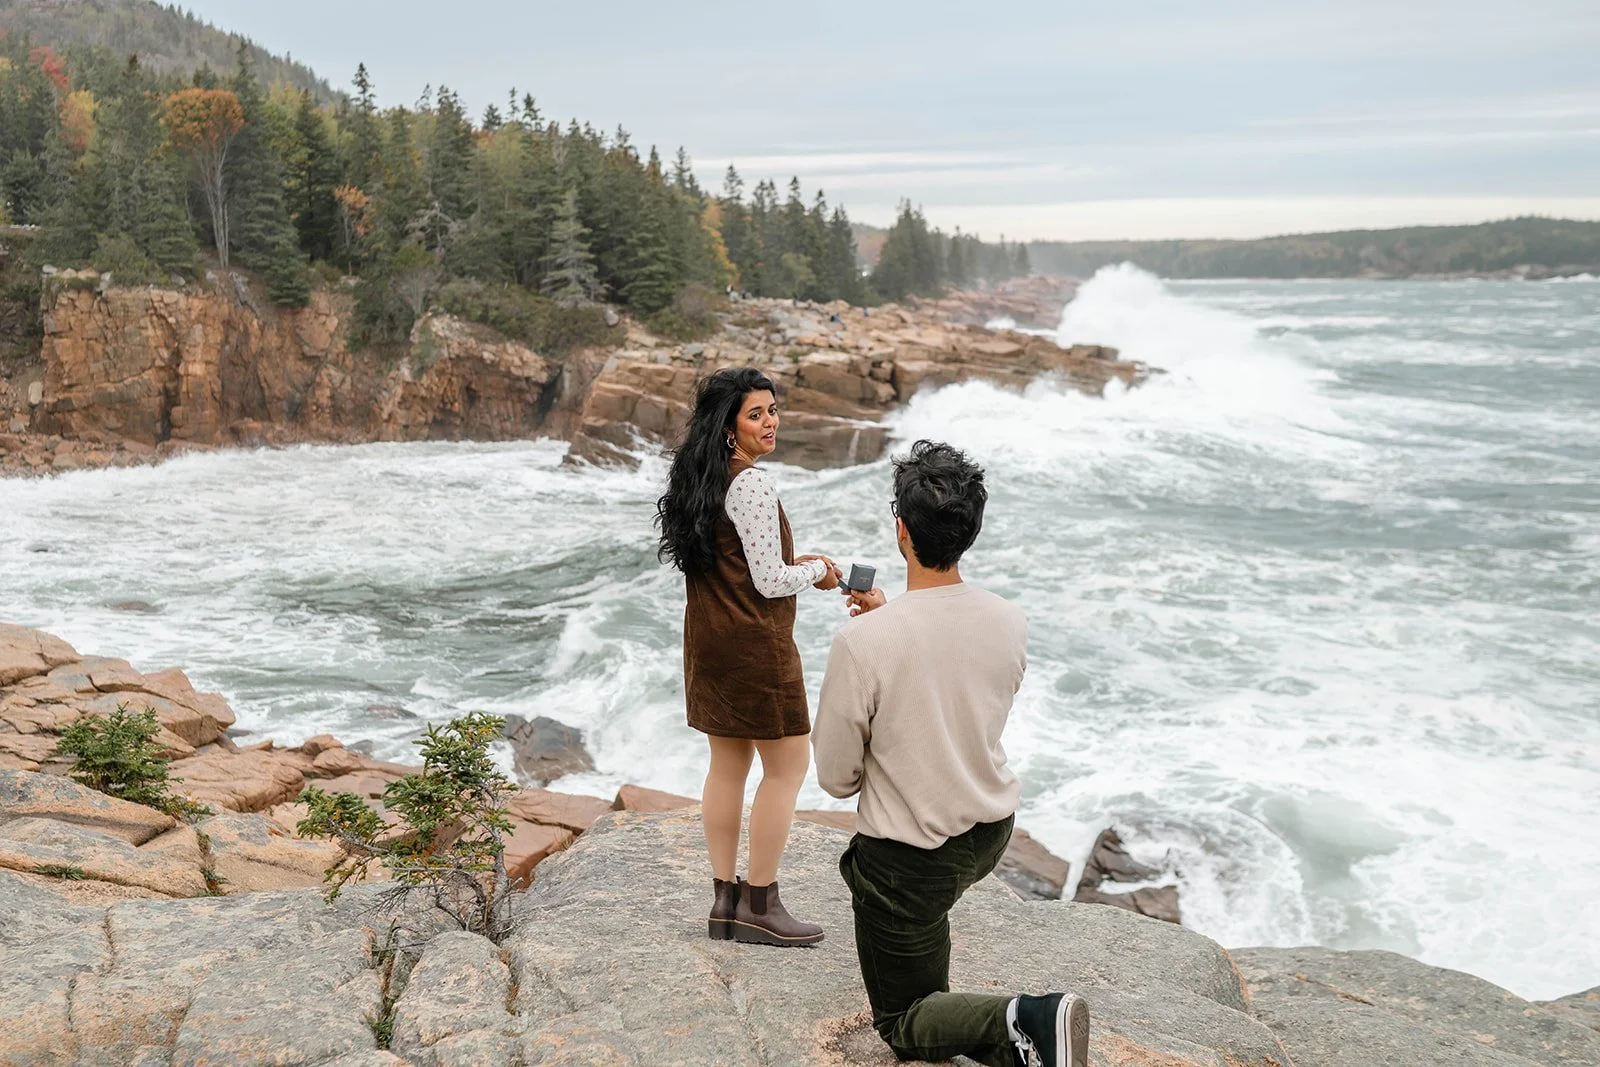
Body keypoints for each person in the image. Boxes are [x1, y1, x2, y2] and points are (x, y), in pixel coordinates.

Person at [813, 440, 1090, 1067]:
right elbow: (952, 683)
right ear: (969, 531)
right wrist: (894, 623)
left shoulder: (863, 642)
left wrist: (881, 632)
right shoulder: (1009, 619)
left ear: (901, 532)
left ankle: (1031, 1019)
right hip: (988, 833)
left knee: (904, 1021)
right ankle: (1009, 1046)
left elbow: (835, 777)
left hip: (911, 858)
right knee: (922, 946)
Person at [655, 366, 842, 947]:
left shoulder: (701, 479)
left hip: (708, 643)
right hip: (754, 649)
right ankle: (759, 903)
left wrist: (793, 563)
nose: (770, 422)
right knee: (788, 767)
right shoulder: (753, 484)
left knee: (728, 766)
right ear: (729, 426)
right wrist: (819, 571)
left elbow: (739, 563)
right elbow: (769, 580)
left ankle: (723, 902)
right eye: (755, 414)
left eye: (773, 410)